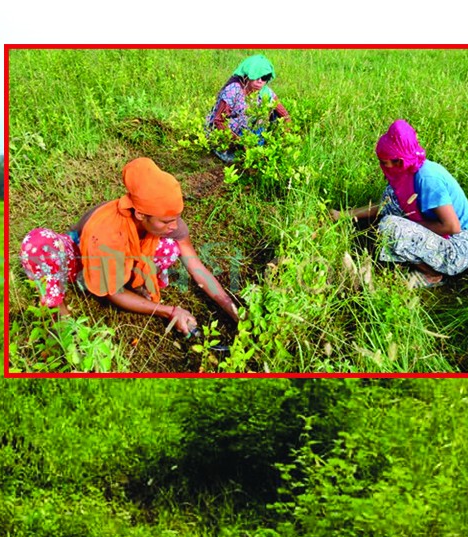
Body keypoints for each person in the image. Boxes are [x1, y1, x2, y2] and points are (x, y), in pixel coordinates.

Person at [19, 157, 240, 335]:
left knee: (169, 247)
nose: (174, 226)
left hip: (118, 262)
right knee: (38, 244)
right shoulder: (107, 231)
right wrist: (169, 312)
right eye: (166, 221)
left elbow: (196, 267)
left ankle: (137, 285)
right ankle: (60, 316)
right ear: (141, 214)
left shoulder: (166, 218)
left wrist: (233, 310)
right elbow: (112, 293)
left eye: (176, 218)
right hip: (83, 260)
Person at [330, 119, 468, 288]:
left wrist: (409, 225)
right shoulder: (406, 174)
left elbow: (452, 227)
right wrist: (344, 215)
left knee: (390, 227)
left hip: (457, 248)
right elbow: (385, 205)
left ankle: (433, 275)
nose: (381, 166)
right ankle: (414, 254)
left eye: (383, 162)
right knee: (392, 202)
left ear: (399, 161)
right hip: (442, 236)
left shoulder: (428, 179)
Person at [205, 54, 291, 162]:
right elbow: (218, 121)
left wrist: (282, 141)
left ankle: (256, 150)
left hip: (247, 135)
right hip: (227, 136)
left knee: (271, 113)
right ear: (247, 76)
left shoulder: (266, 93)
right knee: (238, 159)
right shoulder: (233, 90)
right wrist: (241, 143)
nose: (260, 81)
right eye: (256, 77)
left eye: (264, 78)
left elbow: (286, 116)